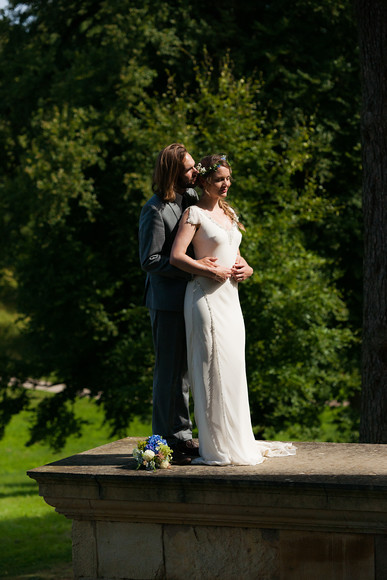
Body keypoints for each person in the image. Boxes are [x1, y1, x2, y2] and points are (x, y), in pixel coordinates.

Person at [170, 154, 296, 465]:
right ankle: (217, 446)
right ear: (203, 182)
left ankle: (237, 437)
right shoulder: (193, 214)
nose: (226, 184)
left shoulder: (229, 212)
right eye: (219, 180)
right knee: (211, 369)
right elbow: (175, 256)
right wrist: (204, 269)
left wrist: (248, 268)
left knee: (233, 368)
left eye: (228, 178)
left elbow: (236, 253)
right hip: (205, 299)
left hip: (231, 298)